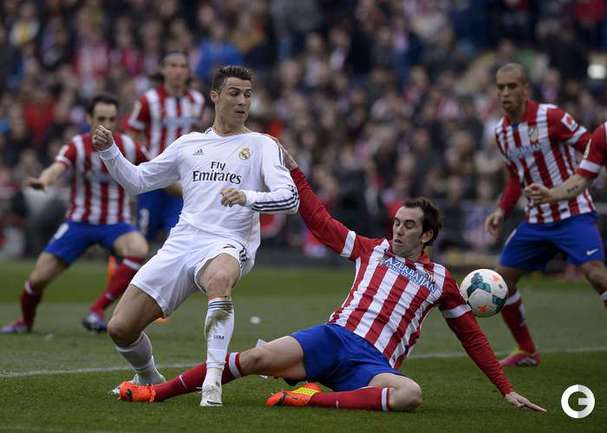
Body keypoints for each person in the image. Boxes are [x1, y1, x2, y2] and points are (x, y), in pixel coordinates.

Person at [113, 140, 545, 413]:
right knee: (254, 359)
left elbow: (472, 337)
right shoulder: (370, 248)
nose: (398, 230)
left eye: (409, 226)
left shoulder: (441, 280)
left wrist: (505, 389)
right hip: (332, 338)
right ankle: (156, 391)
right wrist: (296, 173)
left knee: (410, 395)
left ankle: (311, 397)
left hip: (373, 364)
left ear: (427, 235)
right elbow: (320, 222)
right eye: (397, 222)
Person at [92, 65, 299, 407]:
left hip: (228, 243)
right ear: (215, 97)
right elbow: (138, 181)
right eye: (234, 93)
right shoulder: (189, 144)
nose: (242, 101)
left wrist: (247, 197)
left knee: (219, 278)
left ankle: (212, 383)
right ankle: (148, 376)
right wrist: (110, 151)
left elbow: (290, 198)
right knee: (120, 328)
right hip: (183, 241)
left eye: (248, 95)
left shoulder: (262, 144)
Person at [484, 63, 607, 367]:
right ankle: (526, 350)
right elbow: (515, 178)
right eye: (500, 87)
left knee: (596, 273)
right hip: (537, 221)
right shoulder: (502, 132)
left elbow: (592, 147)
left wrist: (573, 183)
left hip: (573, 212)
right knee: (501, 282)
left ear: (526, 88)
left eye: (512, 86)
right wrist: (501, 209)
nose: (505, 93)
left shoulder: (551, 116)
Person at [1, 93, 149, 334]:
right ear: (89, 118)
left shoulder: (130, 146)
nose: (107, 125)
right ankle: (25, 322)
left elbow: (158, 171)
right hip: (79, 223)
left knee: (139, 249)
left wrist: (188, 189)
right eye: (101, 118)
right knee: (37, 279)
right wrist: (43, 180)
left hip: (116, 223)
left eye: (112, 119)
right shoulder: (77, 146)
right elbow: (57, 168)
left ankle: (96, 310)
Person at [525, 121, 607, 309]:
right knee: (596, 274)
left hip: (577, 216)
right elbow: (582, 178)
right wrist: (552, 194)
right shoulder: (603, 134)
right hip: (549, 215)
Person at [127, 50, 205, 243]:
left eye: (183, 66)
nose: (178, 71)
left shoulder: (197, 101)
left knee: (177, 237)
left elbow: (198, 137)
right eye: (173, 65)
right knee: (142, 237)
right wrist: (140, 166)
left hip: (181, 181)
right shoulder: (148, 100)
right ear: (162, 70)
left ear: (188, 72)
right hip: (152, 179)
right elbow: (132, 136)